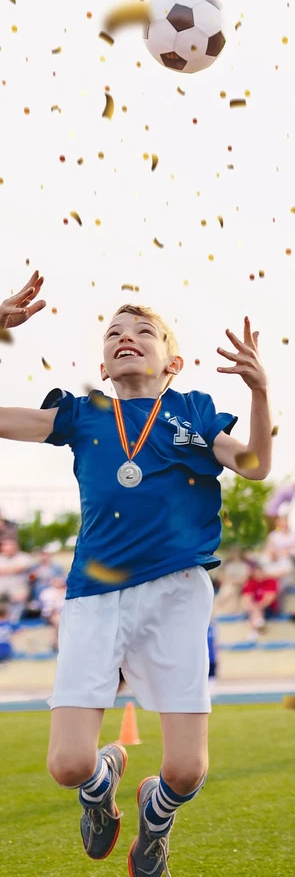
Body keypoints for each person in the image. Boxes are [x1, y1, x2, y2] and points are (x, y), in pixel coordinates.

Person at [0, 273, 273, 876]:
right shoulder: (81, 415)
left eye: (143, 330)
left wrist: (259, 391)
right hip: (94, 598)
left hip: (176, 595)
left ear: (172, 361)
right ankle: (100, 788)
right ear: (102, 364)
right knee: (67, 766)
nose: (126, 337)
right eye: (114, 333)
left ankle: (157, 814)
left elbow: (254, 466)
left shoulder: (195, 412)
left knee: (185, 771)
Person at [240, 560, 280, 639]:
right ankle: (258, 622)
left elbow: (269, 599)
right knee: (253, 611)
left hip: (268, 609)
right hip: (254, 609)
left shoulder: (271, 581)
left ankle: (253, 630)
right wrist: (254, 608)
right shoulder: (250, 583)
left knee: (255, 611)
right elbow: (246, 598)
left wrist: (257, 608)